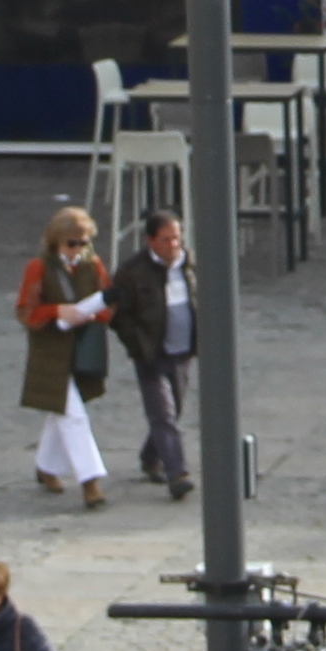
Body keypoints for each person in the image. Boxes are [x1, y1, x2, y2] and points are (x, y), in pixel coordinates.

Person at [16, 206, 114, 505]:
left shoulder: (92, 265)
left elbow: (109, 304)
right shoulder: (39, 268)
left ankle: (46, 466)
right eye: (72, 243)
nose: (77, 250)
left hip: (81, 348)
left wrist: (90, 314)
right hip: (50, 351)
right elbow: (26, 311)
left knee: (63, 409)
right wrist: (58, 311)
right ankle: (90, 481)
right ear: (56, 242)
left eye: (83, 243)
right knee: (74, 416)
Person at [107, 210, 203, 503]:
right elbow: (118, 314)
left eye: (176, 237)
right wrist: (137, 344)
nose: (173, 244)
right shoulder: (133, 272)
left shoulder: (191, 263)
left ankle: (151, 455)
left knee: (175, 409)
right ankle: (177, 473)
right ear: (151, 241)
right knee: (163, 412)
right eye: (166, 239)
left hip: (182, 350)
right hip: (151, 352)